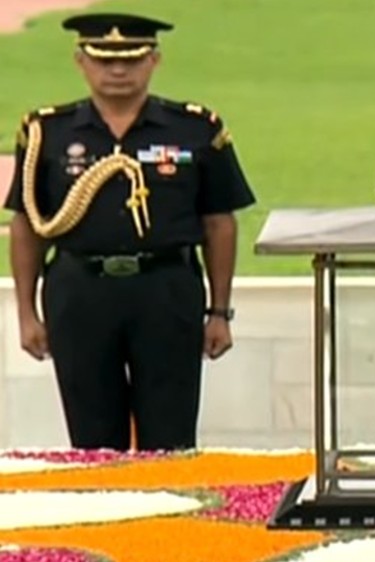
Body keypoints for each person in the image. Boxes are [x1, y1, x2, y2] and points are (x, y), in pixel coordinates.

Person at [4, 13, 256, 451]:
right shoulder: (47, 132)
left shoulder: (195, 129)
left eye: (131, 60)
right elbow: (27, 224)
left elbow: (220, 223)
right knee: (92, 439)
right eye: (104, 60)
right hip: (80, 291)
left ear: (154, 60)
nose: (118, 71)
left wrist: (219, 312)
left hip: (165, 289)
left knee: (171, 437)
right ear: (81, 61)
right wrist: (26, 312)